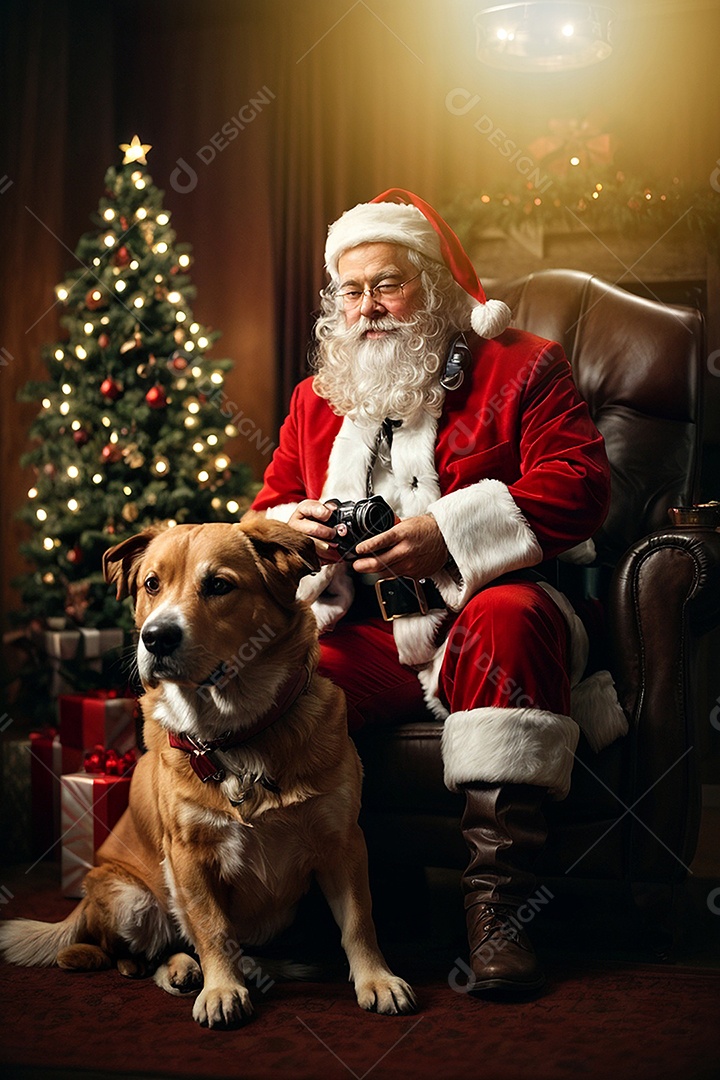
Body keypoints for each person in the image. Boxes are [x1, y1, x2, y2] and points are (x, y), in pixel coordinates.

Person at [250, 188, 627, 995]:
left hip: (487, 616)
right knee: (283, 683)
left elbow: (582, 486)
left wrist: (447, 533)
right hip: (371, 629)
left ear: (435, 287)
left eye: (388, 285)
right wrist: (298, 530)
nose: (367, 309)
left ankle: (497, 909)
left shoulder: (524, 365)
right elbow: (263, 515)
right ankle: (324, 904)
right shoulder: (313, 403)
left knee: (508, 613)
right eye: (351, 291)